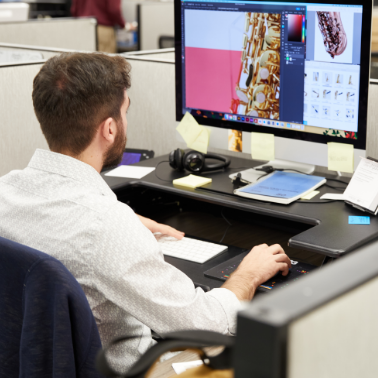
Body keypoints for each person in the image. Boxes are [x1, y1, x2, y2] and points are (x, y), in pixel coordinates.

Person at [0, 53, 291, 372]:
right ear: (109, 129)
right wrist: (248, 274)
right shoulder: (105, 227)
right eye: (125, 112)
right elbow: (205, 326)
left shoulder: (7, 191)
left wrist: (127, 225)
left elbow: (60, 233)